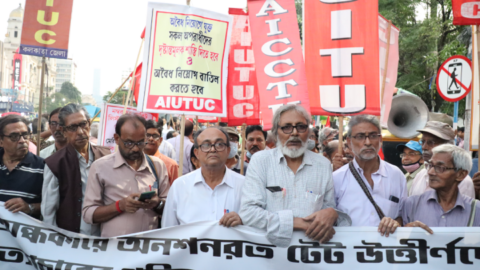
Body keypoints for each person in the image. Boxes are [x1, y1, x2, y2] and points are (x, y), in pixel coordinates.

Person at [240, 105, 350, 247]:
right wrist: (297, 223)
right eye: (286, 127)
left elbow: (328, 210)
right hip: (269, 255)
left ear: (308, 130)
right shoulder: (261, 161)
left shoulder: (322, 165)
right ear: (275, 132)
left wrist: (332, 214)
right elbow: (248, 212)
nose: (294, 133)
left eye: (300, 127)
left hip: (312, 255)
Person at [83, 114, 170, 237]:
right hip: (115, 250)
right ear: (117, 138)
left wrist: (157, 203)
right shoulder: (100, 167)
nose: (135, 149)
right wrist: (120, 206)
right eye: (129, 143)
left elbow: (170, 207)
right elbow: (88, 214)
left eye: (140, 143)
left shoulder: (157, 166)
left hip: (150, 250)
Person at [42, 104, 111, 235]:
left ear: (89, 124)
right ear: (63, 131)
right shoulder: (55, 163)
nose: (80, 131)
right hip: (70, 240)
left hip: (103, 237)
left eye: (83, 124)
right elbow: (48, 212)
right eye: (73, 127)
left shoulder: (106, 156)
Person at [333, 115, 407, 237]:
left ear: (380, 139)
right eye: (360, 137)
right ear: (349, 142)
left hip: (387, 251)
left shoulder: (396, 175)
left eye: (373, 136)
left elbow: (404, 215)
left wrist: (395, 223)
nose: (367, 142)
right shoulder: (337, 179)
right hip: (349, 252)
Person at [162, 127, 245, 228]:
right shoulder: (179, 186)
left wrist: (243, 221)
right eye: (206, 145)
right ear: (197, 153)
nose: (213, 149)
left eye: (219, 144)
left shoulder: (244, 186)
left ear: (228, 151)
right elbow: (168, 232)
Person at [402, 144, 479, 230]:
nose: (430, 172)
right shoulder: (412, 204)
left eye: (440, 167)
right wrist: (406, 231)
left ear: (461, 174)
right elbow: (397, 240)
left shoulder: (476, 210)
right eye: (430, 165)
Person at [410, 121, 476, 198]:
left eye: (431, 142)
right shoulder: (420, 175)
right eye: (423, 142)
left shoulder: (462, 181)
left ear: (449, 145)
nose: (424, 147)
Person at [0, 115, 43, 218]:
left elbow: (53, 206)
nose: (22, 140)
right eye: (14, 137)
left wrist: (29, 207)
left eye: (25, 135)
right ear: (1, 141)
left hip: (23, 233)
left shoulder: (42, 167)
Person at [144, 120, 179, 185]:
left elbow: (176, 191)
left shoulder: (171, 165)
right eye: (147, 135)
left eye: (155, 136)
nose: (151, 139)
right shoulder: (133, 161)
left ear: (160, 140)